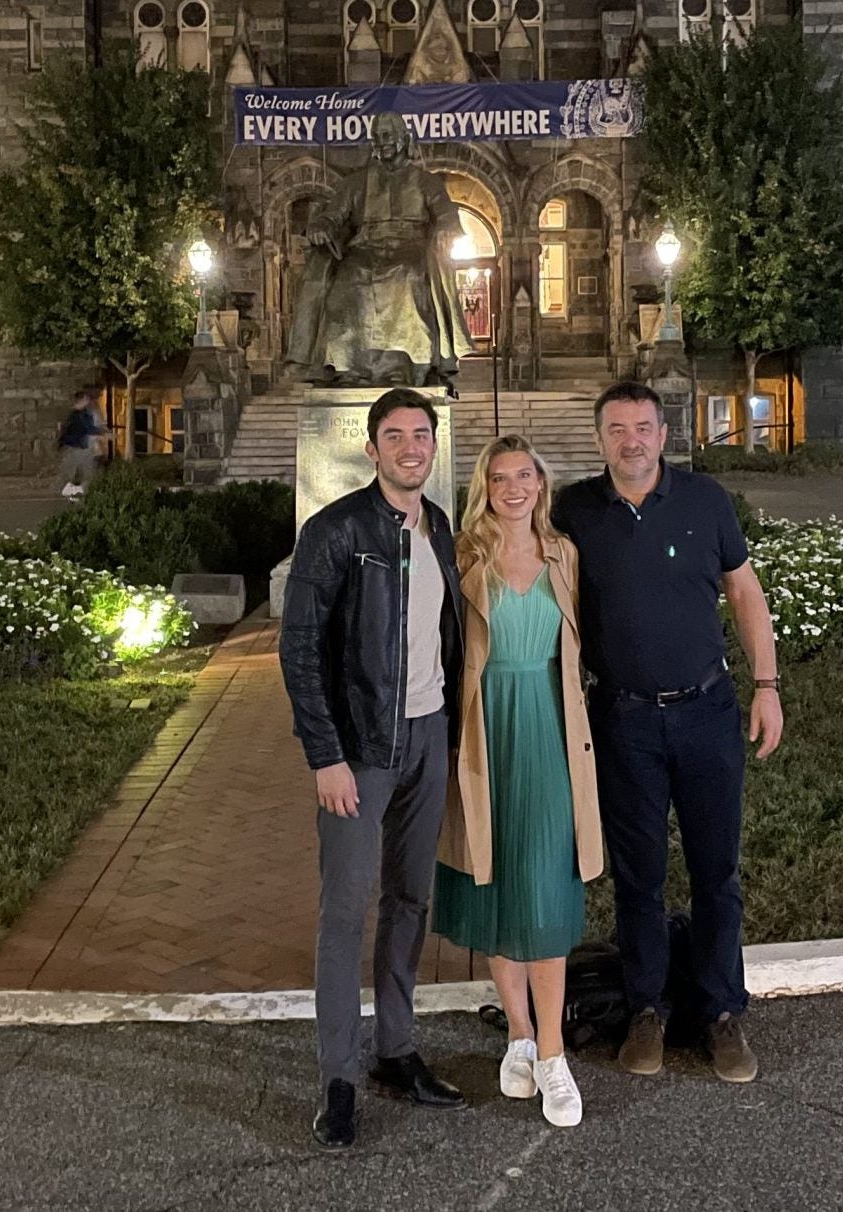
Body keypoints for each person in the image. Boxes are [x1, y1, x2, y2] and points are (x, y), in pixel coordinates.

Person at [554, 380, 783, 1086]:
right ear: (600, 439)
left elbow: (745, 592)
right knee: (639, 877)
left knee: (718, 872)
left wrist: (767, 687)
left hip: (706, 713)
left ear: (664, 433)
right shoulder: (571, 513)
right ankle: (646, 1008)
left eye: (644, 427)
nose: (632, 439)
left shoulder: (705, 502)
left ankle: (721, 1014)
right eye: (618, 428)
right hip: (621, 720)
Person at [279, 388, 466, 1152]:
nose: (411, 447)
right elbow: (299, 651)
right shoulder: (336, 531)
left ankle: (395, 1049)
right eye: (396, 437)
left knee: (410, 899)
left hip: (428, 736)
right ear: (373, 448)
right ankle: (338, 1078)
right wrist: (325, 755)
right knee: (345, 912)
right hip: (359, 749)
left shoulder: (439, 526)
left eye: (422, 435)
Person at [434, 435, 604, 1130]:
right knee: (500, 880)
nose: (513, 488)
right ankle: (520, 1035)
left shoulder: (564, 555)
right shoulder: (464, 558)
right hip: (483, 731)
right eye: (499, 477)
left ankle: (555, 1056)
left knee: (543, 882)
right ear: (485, 486)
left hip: (550, 728)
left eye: (524, 475)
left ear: (542, 482)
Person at [285, 111, 472, 389]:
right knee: (347, 282)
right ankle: (347, 366)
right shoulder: (355, 183)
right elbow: (334, 214)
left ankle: (405, 365)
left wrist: (445, 230)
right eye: (376, 136)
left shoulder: (426, 181)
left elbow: (446, 215)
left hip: (412, 247)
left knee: (406, 278)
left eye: (386, 135)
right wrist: (321, 224)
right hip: (364, 248)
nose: (381, 141)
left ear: (402, 138)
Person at [56, 387, 104, 499]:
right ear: (81, 400)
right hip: (78, 448)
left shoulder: (73, 414)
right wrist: (104, 433)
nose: (88, 401)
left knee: (81, 471)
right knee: (88, 471)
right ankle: (76, 492)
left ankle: (73, 492)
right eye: (86, 399)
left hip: (75, 447)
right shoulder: (79, 415)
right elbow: (89, 428)